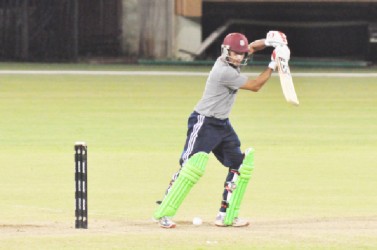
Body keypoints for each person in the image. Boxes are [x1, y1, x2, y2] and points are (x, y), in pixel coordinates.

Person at [154, 31, 290, 228]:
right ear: (226, 51)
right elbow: (255, 86)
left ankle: (225, 215)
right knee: (190, 168)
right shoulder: (223, 71)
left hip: (222, 125)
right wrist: (273, 64)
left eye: (241, 54)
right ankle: (163, 213)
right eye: (235, 53)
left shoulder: (236, 58)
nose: (239, 57)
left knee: (240, 165)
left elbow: (251, 46)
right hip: (204, 122)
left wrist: (271, 43)